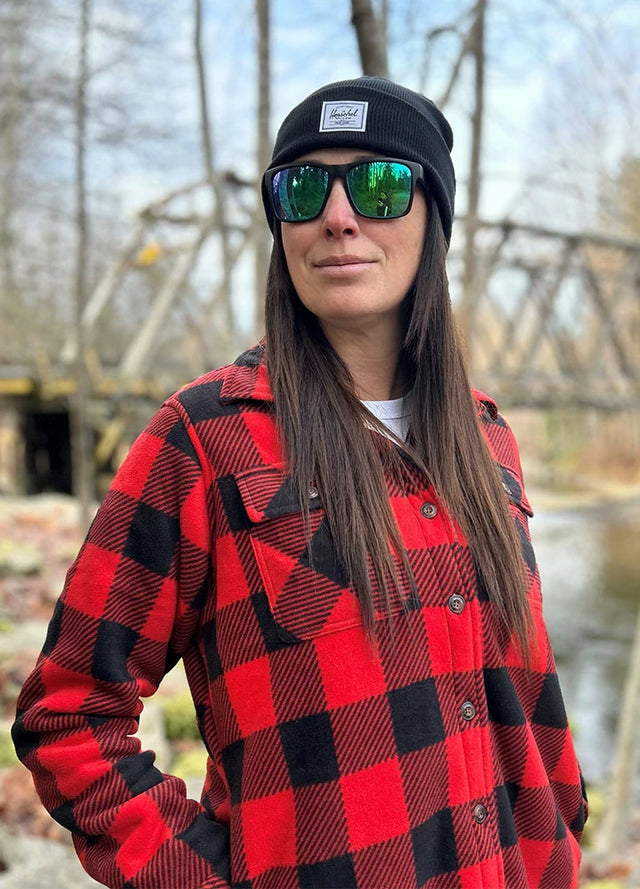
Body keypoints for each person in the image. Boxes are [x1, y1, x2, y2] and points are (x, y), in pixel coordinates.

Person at [13, 76, 587, 889]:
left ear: (435, 220)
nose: (339, 215)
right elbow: (70, 712)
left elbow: (530, 694)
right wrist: (201, 876)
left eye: (381, 185)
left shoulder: (487, 436)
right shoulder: (203, 439)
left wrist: (564, 831)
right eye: (304, 188)